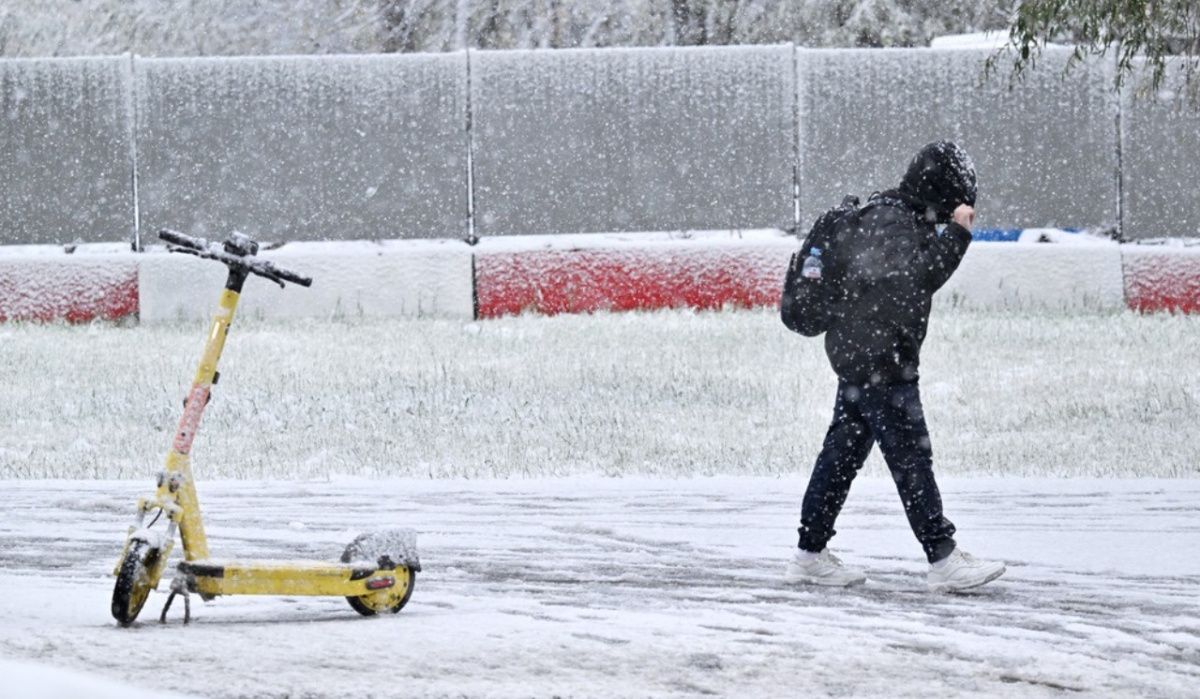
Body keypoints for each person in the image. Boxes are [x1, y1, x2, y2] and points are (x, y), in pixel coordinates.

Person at [784, 141, 1005, 592]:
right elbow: (914, 282)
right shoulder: (897, 224)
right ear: (941, 189)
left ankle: (810, 553)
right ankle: (943, 558)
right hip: (882, 361)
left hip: (857, 359)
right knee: (910, 458)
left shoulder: (881, 215)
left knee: (841, 456)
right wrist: (958, 236)